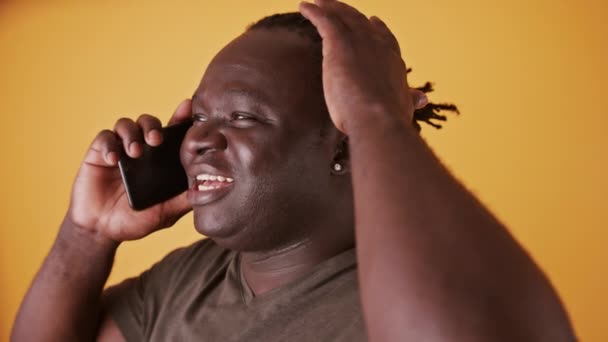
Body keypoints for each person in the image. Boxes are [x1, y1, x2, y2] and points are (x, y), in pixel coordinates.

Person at [12, 1, 576, 341]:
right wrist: (85, 237)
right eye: (201, 115)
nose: (199, 138)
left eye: (243, 116)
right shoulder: (186, 281)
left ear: (344, 142)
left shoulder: (411, 289)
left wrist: (378, 114)